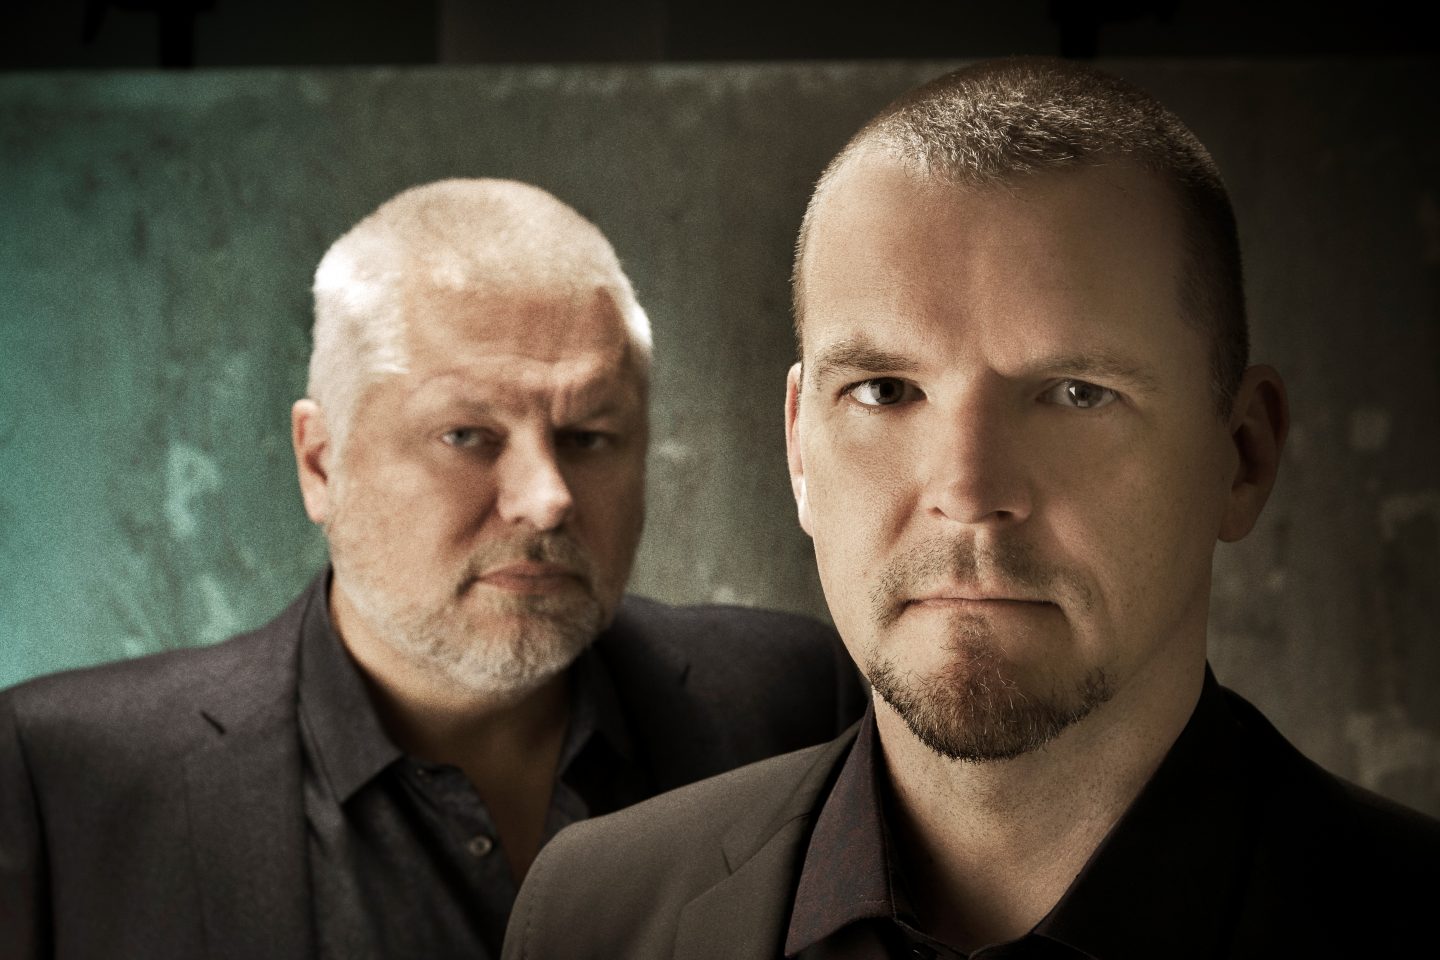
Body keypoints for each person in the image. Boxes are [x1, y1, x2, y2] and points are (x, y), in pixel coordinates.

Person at [503, 60, 1440, 959]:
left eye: (1075, 393)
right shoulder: (590, 919)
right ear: (799, 450)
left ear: (1243, 456)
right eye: (884, 390)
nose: (967, 492)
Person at [0, 179, 865, 960]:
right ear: (320, 462)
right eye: (467, 435)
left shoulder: (791, 699)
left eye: (588, 437)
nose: (547, 498)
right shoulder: (60, 781)